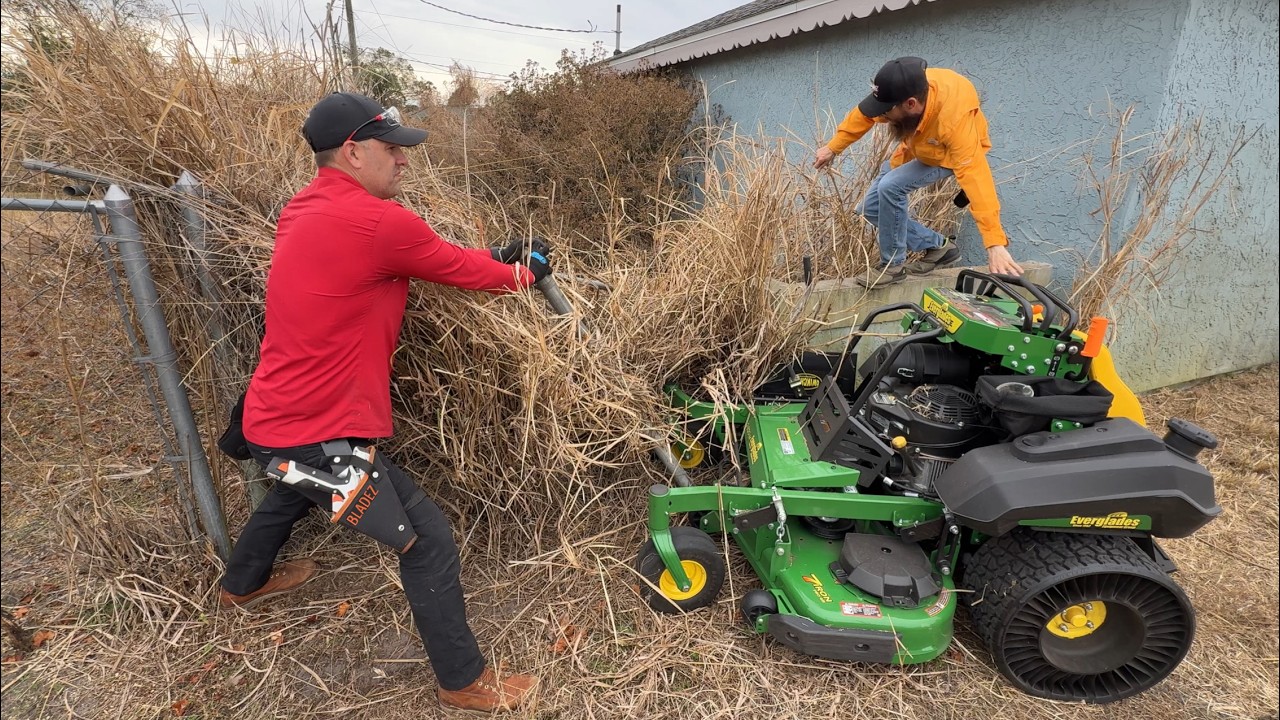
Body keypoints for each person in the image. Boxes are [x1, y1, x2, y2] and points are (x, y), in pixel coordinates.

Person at [216, 91, 548, 713]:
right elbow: (465, 271)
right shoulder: (377, 222)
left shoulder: (302, 209)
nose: (404, 160)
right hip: (317, 433)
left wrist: (489, 258)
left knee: (291, 490)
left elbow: (434, 258)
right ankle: (463, 681)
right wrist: (524, 270)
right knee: (425, 541)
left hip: (270, 417)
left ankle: (243, 585)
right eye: (393, 149)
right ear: (353, 150)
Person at [813, 56, 1023, 288]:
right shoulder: (904, 87)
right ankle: (939, 247)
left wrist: (994, 244)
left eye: (885, 112)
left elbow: (976, 176)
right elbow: (864, 115)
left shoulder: (953, 120)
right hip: (917, 146)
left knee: (890, 186)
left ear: (911, 104)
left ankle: (892, 265)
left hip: (946, 154)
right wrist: (833, 147)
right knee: (870, 209)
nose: (880, 117)